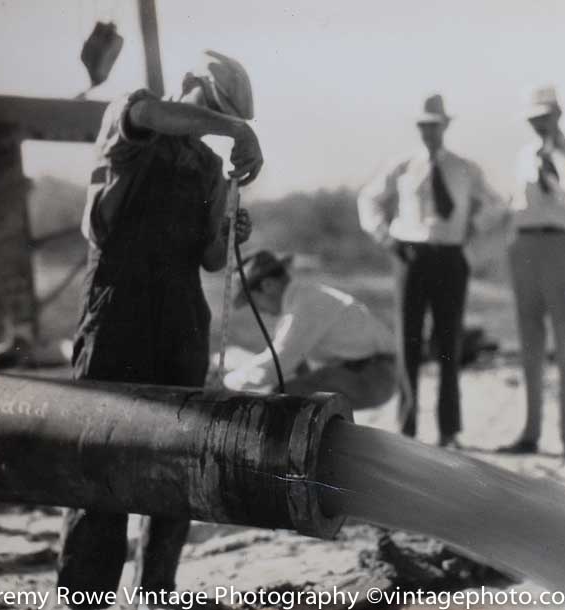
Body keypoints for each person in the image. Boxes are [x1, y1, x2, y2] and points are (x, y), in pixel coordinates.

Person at [58, 50, 262, 607]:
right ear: (188, 83)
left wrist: (229, 230)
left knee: (175, 463)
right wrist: (234, 128)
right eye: (210, 107)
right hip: (118, 306)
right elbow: (158, 116)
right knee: (100, 457)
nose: (211, 121)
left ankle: (156, 592)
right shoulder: (135, 114)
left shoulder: (205, 168)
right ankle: (85, 595)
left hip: (180, 315)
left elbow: (211, 260)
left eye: (221, 113)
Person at [357, 94, 501, 447]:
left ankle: (449, 430)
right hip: (411, 255)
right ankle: (406, 429)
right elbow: (369, 199)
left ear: (446, 127)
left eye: (434, 126)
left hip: (451, 256)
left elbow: (496, 203)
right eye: (423, 126)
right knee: (408, 339)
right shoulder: (403, 165)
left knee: (449, 340)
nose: (429, 132)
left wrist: (473, 225)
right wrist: (385, 237)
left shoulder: (465, 167)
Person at [497, 86, 565, 460]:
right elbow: (516, 203)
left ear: (558, 115)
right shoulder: (523, 156)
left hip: (563, 245)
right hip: (524, 246)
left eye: (545, 117)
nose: (540, 124)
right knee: (530, 344)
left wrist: (557, 163)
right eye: (534, 119)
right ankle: (530, 433)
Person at [223, 250, 396, 409]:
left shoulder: (305, 306)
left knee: (285, 395)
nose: (258, 310)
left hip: (374, 375)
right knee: (291, 389)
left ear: (268, 285)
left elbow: (276, 365)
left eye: (253, 301)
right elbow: (289, 364)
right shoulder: (301, 301)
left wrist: (227, 383)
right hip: (363, 372)